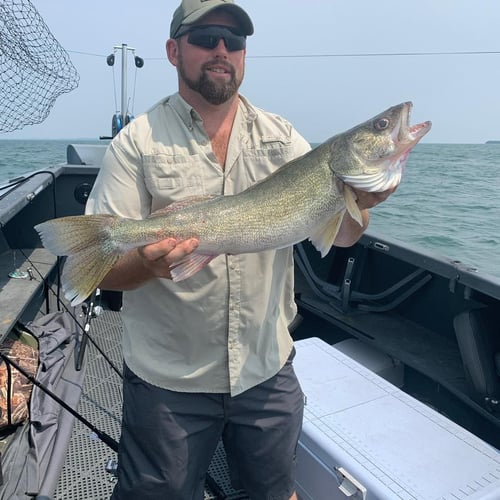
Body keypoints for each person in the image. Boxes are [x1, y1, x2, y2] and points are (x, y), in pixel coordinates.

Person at [86, 1, 395, 498]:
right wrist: (144, 262)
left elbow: (338, 236)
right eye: (207, 37)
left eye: (236, 41)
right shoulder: (135, 143)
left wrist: (360, 204)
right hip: (170, 382)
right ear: (173, 50)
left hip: (266, 371)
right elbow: (104, 273)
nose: (222, 50)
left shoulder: (285, 139)